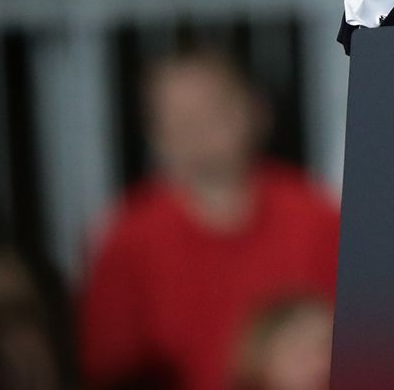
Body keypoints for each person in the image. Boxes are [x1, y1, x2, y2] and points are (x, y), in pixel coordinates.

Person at [79, 49, 340, 390]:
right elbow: (108, 369)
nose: (197, 127)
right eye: (178, 116)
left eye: (211, 108)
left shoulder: (317, 217)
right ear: (155, 133)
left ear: (256, 111)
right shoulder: (127, 241)